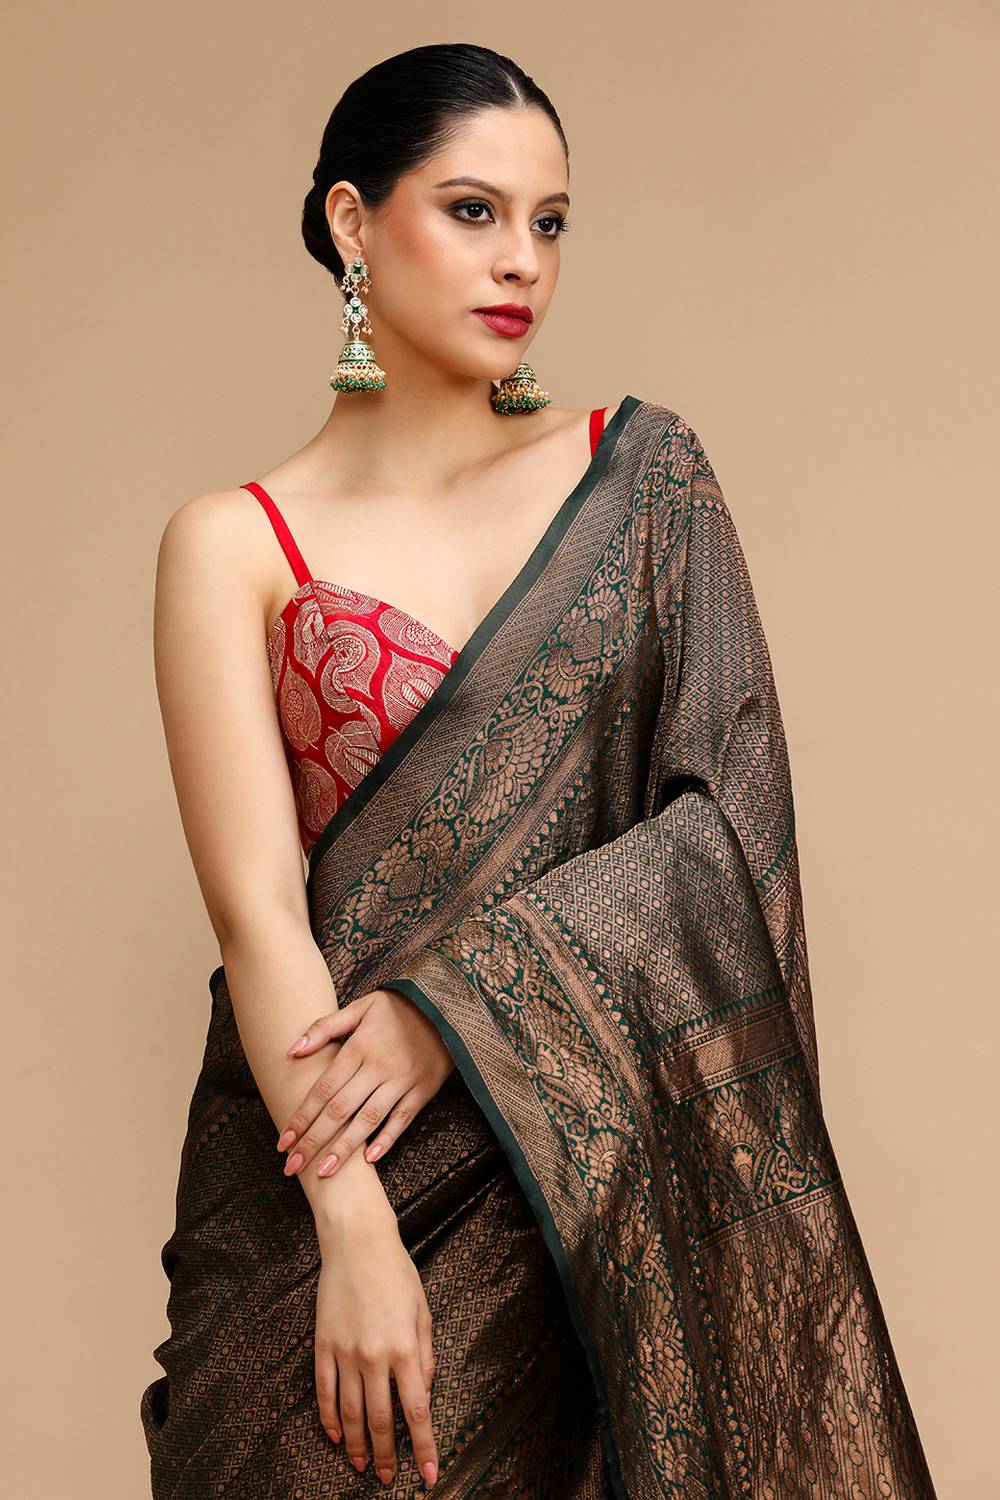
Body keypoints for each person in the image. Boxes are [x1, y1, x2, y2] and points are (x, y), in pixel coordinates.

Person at [140, 41, 937, 1500]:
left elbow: (727, 828)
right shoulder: (233, 543)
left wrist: (457, 1009)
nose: (522, 261)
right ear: (351, 222)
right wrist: (354, 1234)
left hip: (587, 1192)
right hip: (324, 1195)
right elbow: (258, 915)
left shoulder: (641, 484)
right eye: (473, 211)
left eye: (550, 222)